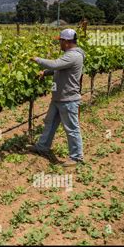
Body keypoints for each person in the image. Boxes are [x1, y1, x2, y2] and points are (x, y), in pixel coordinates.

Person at [28, 28, 85, 167]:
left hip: (68, 99)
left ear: (66, 42)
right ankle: (42, 147)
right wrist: (46, 73)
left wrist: (37, 59)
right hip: (59, 98)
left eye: (60, 40)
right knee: (50, 123)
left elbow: (55, 64)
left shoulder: (73, 56)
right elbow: (57, 69)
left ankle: (76, 157)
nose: (59, 43)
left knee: (71, 128)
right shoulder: (69, 54)